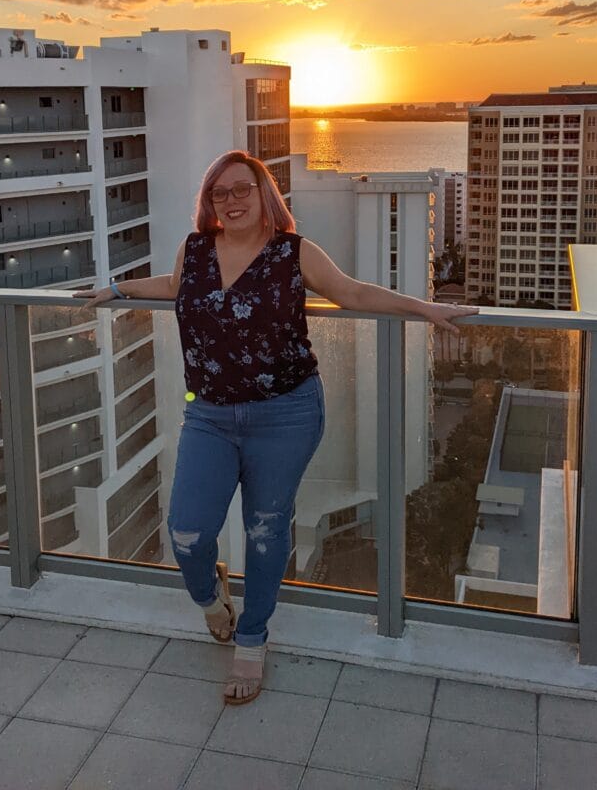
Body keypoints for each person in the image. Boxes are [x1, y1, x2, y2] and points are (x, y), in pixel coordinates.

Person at [74, 150, 478, 705]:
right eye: (221, 193)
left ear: (266, 194)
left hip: (285, 414)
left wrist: (425, 308)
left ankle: (253, 637)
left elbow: (353, 294)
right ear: (209, 203)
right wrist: (119, 290)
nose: (233, 201)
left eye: (244, 189)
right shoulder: (194, 250)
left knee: (267, 531)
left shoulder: (293, 252)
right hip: (210, 415)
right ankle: (211, 597)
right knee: (188, 531)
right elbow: (175, 286)